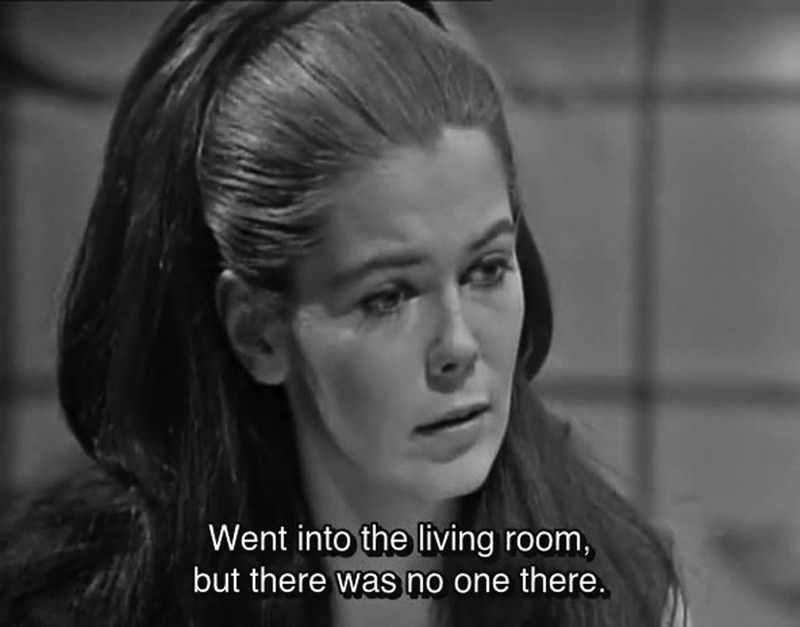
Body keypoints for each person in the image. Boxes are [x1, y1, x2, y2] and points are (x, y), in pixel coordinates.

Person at [0, 2, 689, 626]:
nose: (458, 346)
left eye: (485, 270)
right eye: (387, 297)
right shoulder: (90, 607)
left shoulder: (620, 595)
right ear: (256, 332)